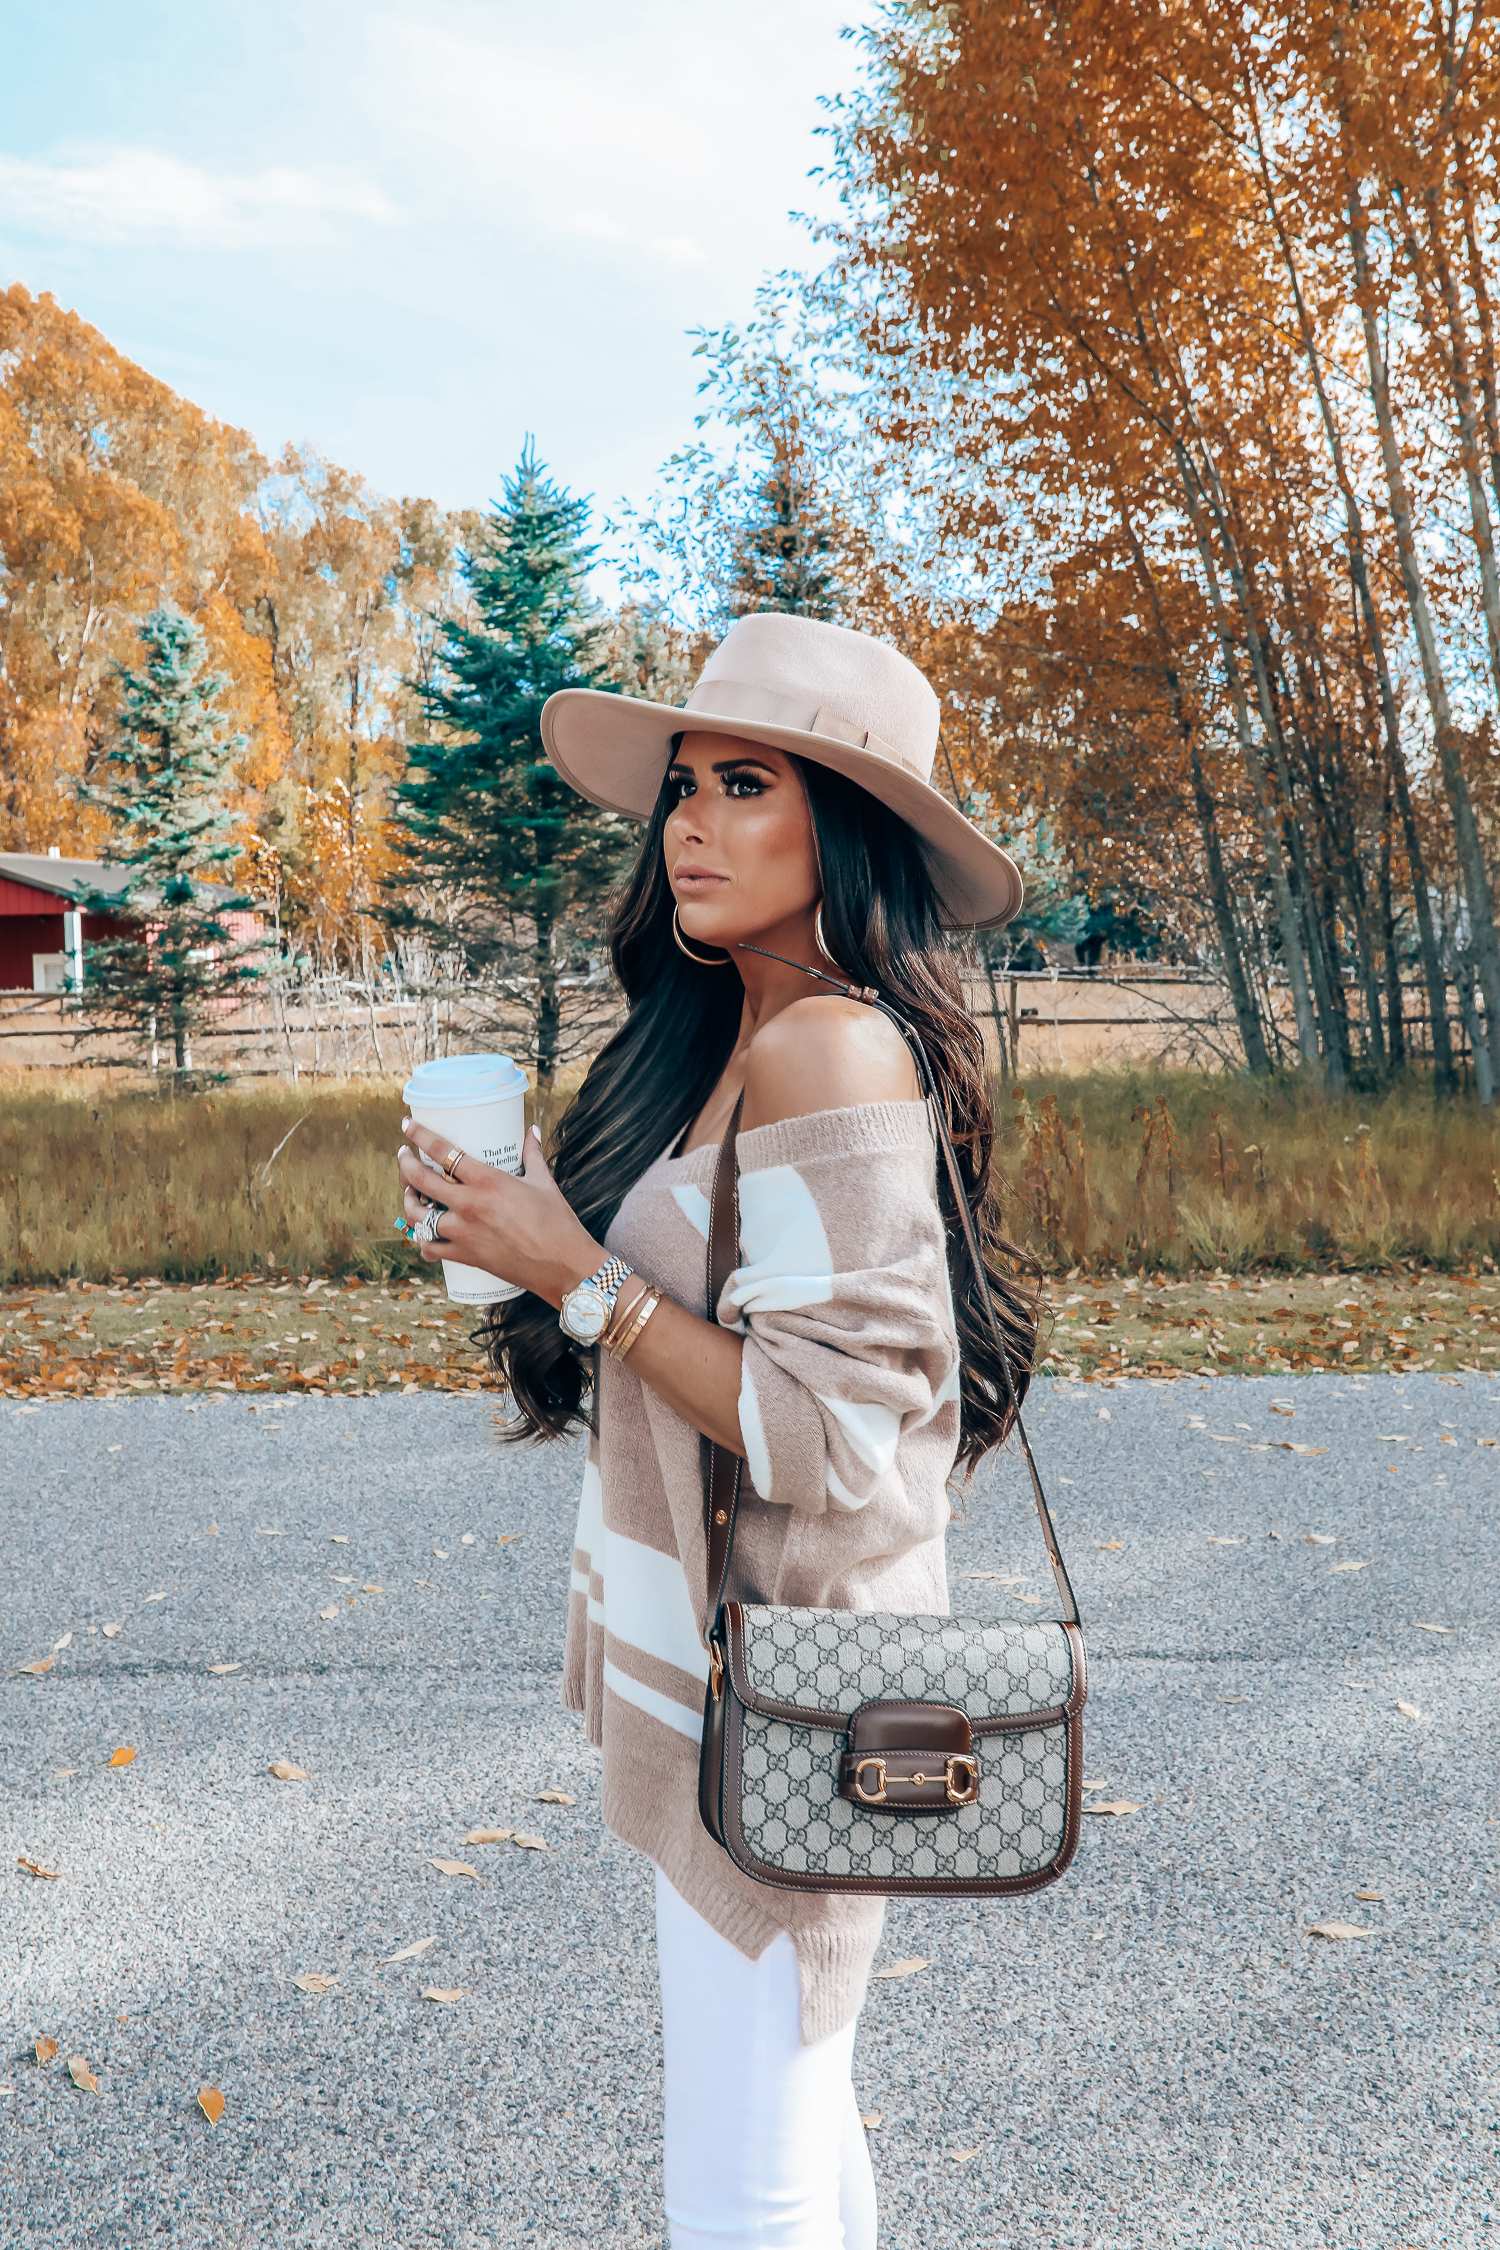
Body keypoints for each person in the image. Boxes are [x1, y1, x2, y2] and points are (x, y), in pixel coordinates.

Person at [396, 612, 1039, 2249]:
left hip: (796, 1700)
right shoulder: (742, 1040)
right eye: (681, 786)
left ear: (849, 830)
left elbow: (839, 1436)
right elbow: (693, 1333)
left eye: (744, 783)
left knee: (742, 2191)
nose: (688, 822)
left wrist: (584, 1274)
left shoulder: (829, 1041)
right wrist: (525, 1241)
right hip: (747, 1688)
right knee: (797, 2139)